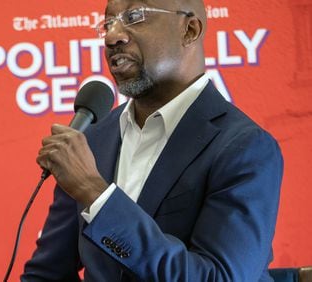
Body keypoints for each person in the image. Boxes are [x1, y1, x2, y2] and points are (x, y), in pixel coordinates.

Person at [21, 0, 283, 281]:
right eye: (108, 23)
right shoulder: (93, 140)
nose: (112, 36)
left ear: (189, 30)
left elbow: (219, 277)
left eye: (135, 16)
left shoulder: (245, 147)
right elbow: (48, 274)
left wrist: (94, 193)